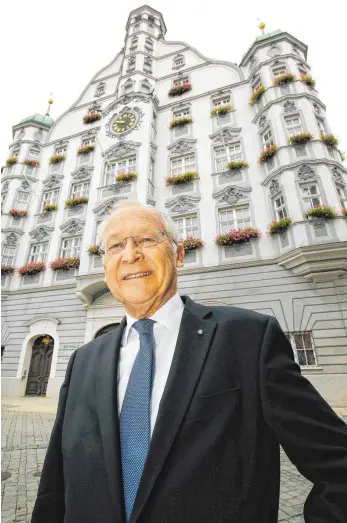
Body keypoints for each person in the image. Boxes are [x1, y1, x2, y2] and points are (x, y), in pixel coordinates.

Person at [32, 201, 347, 523]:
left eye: (146, 240)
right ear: (106, 264)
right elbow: (55, 482)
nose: (130, 255)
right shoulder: (84, 359)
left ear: (178, 254)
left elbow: (338, 465)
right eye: (115, 246)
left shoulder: (247, 338)